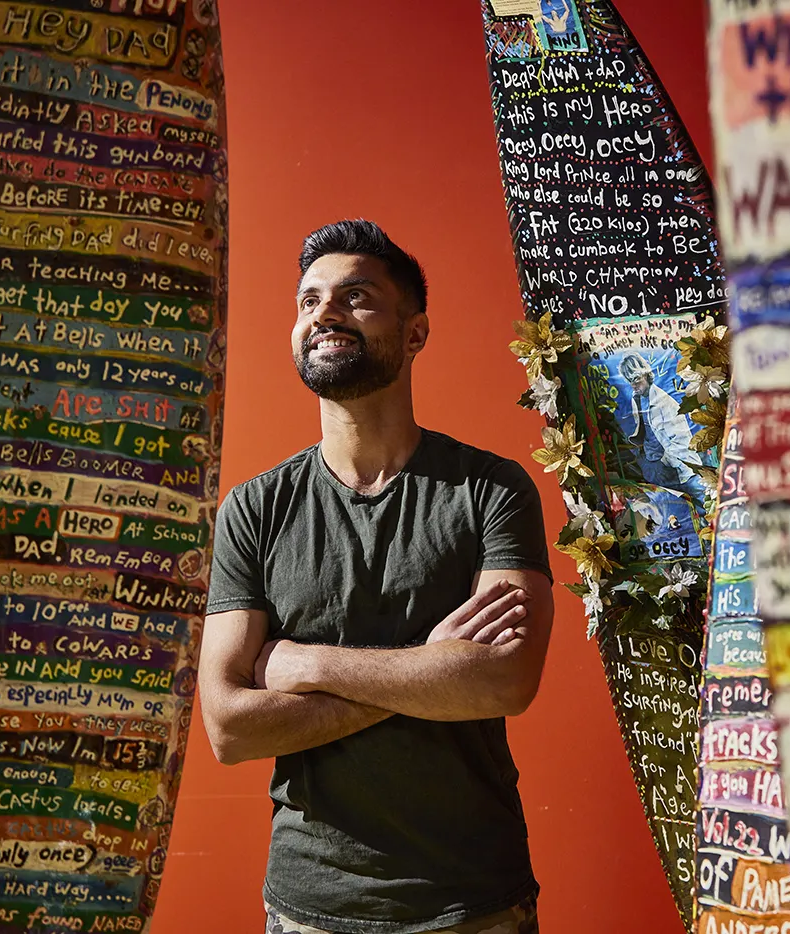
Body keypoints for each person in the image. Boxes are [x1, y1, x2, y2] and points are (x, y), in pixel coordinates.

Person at [199, 219, 554, 934]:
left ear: (415, 333)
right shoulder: (254, 508)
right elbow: (228, 726)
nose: (323, 313)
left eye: (355, 296)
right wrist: (431, 674)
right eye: (308, 300)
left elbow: (505, 682)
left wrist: (302, 662)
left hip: (474, 904)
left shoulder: (490, 490)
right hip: (311, 908)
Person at [618, 352, 706, 502]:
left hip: (681, 469)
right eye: (630, 381)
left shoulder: (665, 402)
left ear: (645, 374)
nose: (634, 385)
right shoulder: (637, 399)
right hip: (659, 471)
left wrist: (662, 463)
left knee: (704, 507)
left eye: (636, 379)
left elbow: (681, 441)